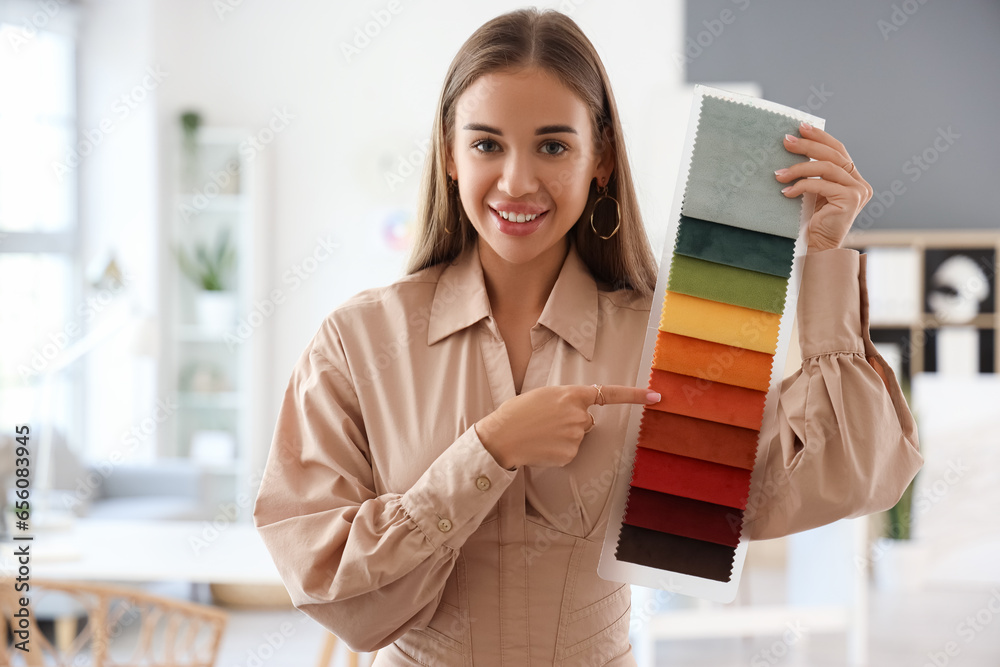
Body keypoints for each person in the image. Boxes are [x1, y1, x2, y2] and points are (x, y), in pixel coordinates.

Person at [252, 8, 923, 666]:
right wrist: (487, 452)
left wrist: (827, 256)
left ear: (599, 157)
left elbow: (846, 474)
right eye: (487, 143)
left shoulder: (666, 337)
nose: (517, 181)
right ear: (450, 154)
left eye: (553, 145)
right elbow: (324, 575)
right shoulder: (359, 339)